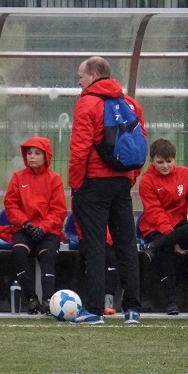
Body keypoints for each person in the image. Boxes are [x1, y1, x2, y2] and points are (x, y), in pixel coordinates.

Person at [68, 56, 145, 325]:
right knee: (126, 244)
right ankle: (132, 309)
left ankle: (94, 309)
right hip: (121, 183)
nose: (79, 82)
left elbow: (79, 149)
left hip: (94, 183)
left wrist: (76, 185)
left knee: (95, 245)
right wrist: (129, 178)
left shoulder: (87, 103)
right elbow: (140, 144)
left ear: (93, 75)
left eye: (80, 77)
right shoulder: (130, 103)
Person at [137, 138, 188, 315]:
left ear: (174, 159)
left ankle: (154, 246)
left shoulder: (185, 173)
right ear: (152, 161)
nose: (165, 166)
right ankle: (172, 302)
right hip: (155, 228)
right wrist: (172, 239)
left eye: (169, 161)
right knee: (166, 250)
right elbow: (155, 212)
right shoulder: (147, 181)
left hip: (180, 226)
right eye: (160, 162)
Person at [0, 136, 67, 314]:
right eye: (29, 153)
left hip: (48, 230)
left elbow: (59, 211)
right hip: (25, 228)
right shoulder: (18, 177)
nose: (32, 156)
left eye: (37, 153)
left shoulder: (54, 179)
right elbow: (11, 205)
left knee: (47, 255)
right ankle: (31, 298)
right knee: (19, 252)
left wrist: (43, 227)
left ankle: (48, 300)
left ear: (46, 156)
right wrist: (25, 223)